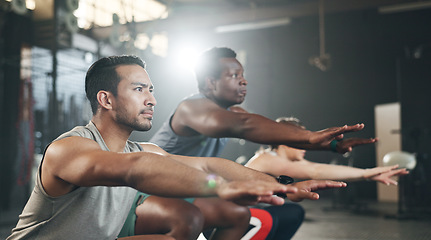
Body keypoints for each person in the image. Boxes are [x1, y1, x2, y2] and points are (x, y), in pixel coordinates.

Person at [7, 55, 346, 240]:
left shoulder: (139, 149)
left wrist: (283, 186)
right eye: (140, 89)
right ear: (106, 99)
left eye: (151, 89)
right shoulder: (69, 149)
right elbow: (136, 170)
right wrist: (225, 189)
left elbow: (208, 166)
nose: (152, 99)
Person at [142, 47, 378, 240]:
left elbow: (268, 131)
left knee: (237, 213)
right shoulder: (191, 108)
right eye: (234, 76)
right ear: (210, 82)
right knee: (232, 211)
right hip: (151, 189)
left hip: (195, 183)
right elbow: (244, 124)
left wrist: (329, 145)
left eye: (243, 75)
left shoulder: (231, 112)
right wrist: (310, 137)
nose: (243, 81)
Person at [245, 117, 409, 185]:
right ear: (284, 143)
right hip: (236, 211)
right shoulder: (266, 158)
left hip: (252, 208)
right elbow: (316, 171)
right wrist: (367, 172)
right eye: (300, 143)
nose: (305, 148)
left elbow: (320, 169)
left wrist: (369, 175)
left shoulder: (283, 159)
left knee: (292, 213)